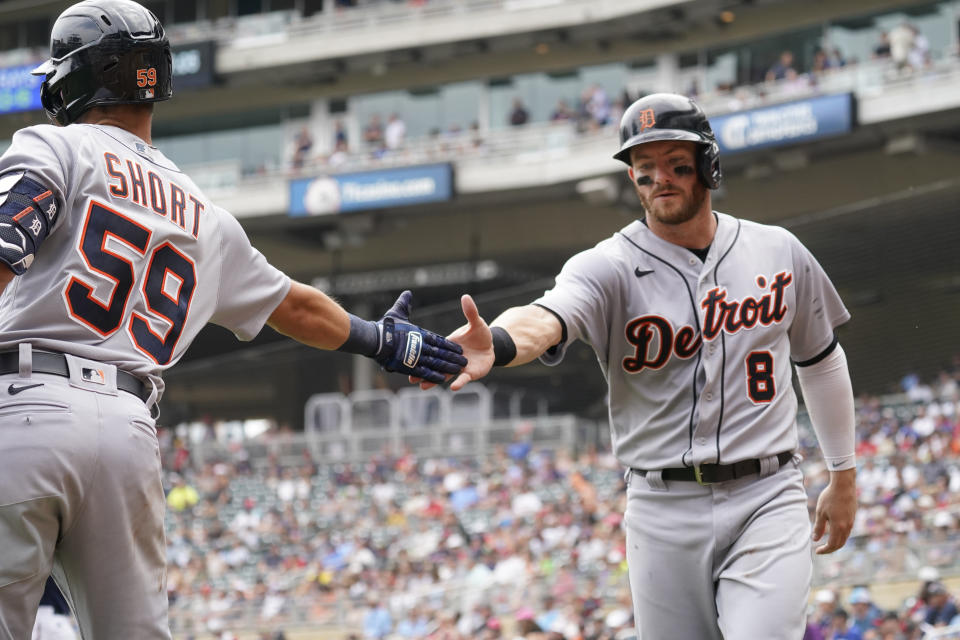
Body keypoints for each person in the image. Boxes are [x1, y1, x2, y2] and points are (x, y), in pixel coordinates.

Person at [0, 2, 466, 638]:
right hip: (129, 432)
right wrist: (383, 342)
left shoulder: (53, 144)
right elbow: (294, 306)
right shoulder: (204, 213)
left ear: (78, 76)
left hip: (27, 406)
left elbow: (5, 243)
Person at [421, 93, 858, 639]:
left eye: (675, 164)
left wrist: (843, 474)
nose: (659, 179)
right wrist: (502, 343)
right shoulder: (608, 266)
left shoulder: (778, 251)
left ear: (708, 165)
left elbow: (820, 361)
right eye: (644, 168)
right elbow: (549, 315)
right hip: (660, 506)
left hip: (765, 493)